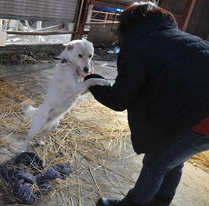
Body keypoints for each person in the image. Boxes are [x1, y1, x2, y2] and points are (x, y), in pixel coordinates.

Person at [84, 2, 209, 206]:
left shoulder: (137, 46)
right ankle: (160, 200)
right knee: (172, 159)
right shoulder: (178, 38)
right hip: (198, 109)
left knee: (155, 164)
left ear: (127, 26)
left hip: (203, 118)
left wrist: (91, 79)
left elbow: (118, 100)